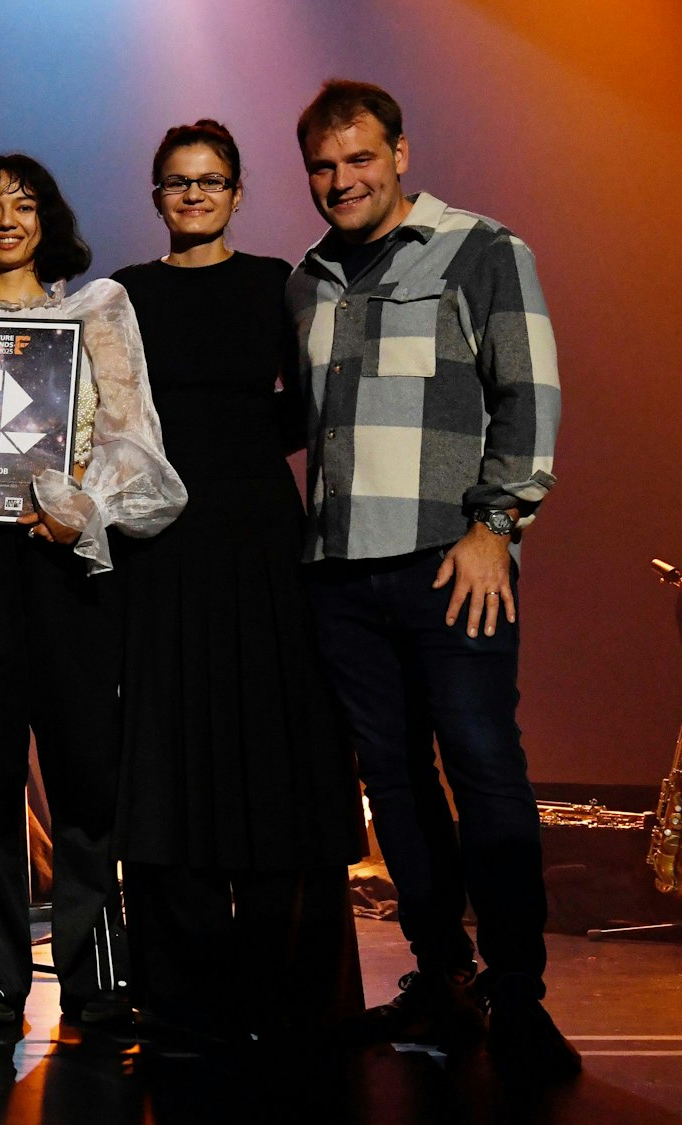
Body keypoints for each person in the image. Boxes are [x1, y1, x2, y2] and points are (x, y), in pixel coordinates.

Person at [288, 80, 576, 1078]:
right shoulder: (306, 279)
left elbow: (525, 393)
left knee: (485, 773)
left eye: (358, 159)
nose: (340, 181)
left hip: (450, 567)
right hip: (337, 577)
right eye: (322, 166)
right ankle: (442, 982)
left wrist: (496, 523)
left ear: (399, 154)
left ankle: (517, 998)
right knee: (396, 792)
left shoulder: (480, 250)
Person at [109, 121, 365, 1042]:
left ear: (238, 191)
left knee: (270, 749)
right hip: (161, 546)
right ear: (156, 194)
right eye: (177, 182)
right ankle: (182, 998)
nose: (193, 195)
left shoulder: (279, 285)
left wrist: (243, 463)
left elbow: (312, 406)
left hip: (261, 538)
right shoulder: (124, 296)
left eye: (210, 181)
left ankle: (281, 989)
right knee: (169, 754)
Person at [0, 154, 185, 1027]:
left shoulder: (94, 307)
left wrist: (85, 508)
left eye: (24, 205)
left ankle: (98, 977)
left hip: (67, 561)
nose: (7, 220)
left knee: (86, 776)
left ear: (48, 218)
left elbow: (134, 439)